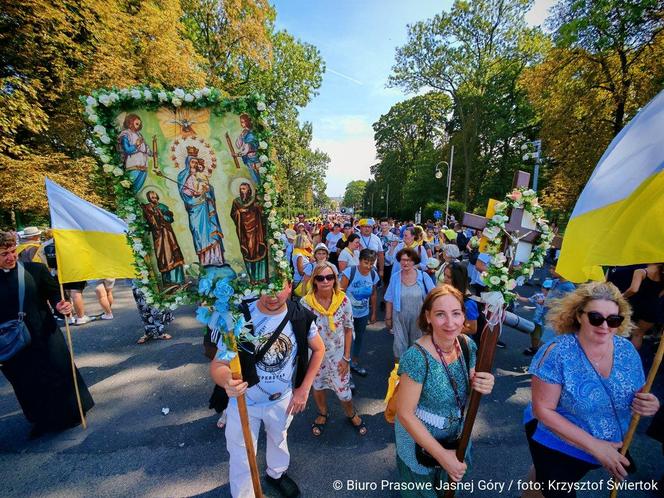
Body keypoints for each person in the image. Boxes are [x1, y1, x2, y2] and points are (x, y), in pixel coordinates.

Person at [524, 282, 660, 498]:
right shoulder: (557, 352)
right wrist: (596, 446)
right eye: (596, 318)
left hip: (608, 444)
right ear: (579, 315)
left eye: (614, 320)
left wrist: (648, 402)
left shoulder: (627, 350)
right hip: (558, 442)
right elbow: (543, 411)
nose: (605, 326)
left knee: (541, 482)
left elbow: (636, 391)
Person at [210, 280, 325, 498]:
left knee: (279, 439)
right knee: (242, 455)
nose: (272, 296)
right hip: (244, 402)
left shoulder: (300, 316)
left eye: (278, 287)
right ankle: (244, 494)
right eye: (266, 288)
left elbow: (319, 349)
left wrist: (303, 388)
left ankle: (277, 474)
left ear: (290, 286)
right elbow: (218, 364)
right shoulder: (239, 317)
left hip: (281, 398)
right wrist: (226, 381)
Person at [395, 285, 495, 491]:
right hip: (419, 446)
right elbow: (405, 413)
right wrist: (443, 456)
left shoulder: (467, 344)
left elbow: (470, 379)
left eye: (456, 313)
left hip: (455, 437)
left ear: (463, 315)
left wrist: (484, 382)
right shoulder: (416, 358)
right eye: (440, 314)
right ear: (428, 317)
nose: (450, 323)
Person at [0, 231, 94, 437]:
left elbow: (54, 294)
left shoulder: (34, 270)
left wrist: (61, 305)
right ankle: (41, 420)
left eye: (13, 251)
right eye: (4, 253)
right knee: (26, 383)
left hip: (44, 334)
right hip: (12, 343)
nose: (11, 257)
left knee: (57, 374)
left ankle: (73, 413)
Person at [301, 262, 367, 437]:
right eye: (320, 278)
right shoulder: (305, 303)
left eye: (330, 277)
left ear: (335, 279)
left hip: (338, 356)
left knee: (344, 392)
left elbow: (348, 328)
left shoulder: (343, 300)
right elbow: (301, 333)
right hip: (315, 357)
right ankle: (322, 413)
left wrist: (346, 358)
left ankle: (351, 413)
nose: (325, 281)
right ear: (314, 280)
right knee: (318, 386)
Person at [385, 247, 436, 361]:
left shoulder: (423, 276)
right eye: (403, 260)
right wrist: (388, 318)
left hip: (419, 318)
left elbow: (433, 296)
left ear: (414, 262)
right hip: (399, 317)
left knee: (417, 346)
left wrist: (430, 317)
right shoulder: (395, 277)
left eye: (409, 260)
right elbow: (389, 298)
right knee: (399, 346)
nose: (405, 263)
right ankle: (399, 374)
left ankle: (416, 373)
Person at [340, 249, 380, 377]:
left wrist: (373, 312)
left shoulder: (373, 275)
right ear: (360, 260)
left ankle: (354, 363)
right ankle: (346, 368)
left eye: (371, 263)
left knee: (359, 338)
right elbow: (340, 293)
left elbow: (373, 294)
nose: (368, 266)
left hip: (363, 313)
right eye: (366, 262)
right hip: (347, 314)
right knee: (348, 339)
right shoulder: (349, 272)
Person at [142, 190, 186, 286]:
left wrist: (161, 215)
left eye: (155, 197)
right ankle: (168, 283)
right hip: (158, 236)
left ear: (157, 197)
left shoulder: (163, 207)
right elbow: (148, 223)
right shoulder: (147, 208)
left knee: (174, 255)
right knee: (162, 257)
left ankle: (178, 281)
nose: (153, 199)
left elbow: (170, 219)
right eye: (151, 197)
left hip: (168, 235)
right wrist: (152, 217)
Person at [230, 181, 269, 284]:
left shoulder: (254, 200)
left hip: (256, 230)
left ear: (249, 190)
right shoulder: (236, 201)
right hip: (244, 231)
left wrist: (257, 207)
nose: (242, 190)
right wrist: (239, 213)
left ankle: (260, 277)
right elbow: (233, 214)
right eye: (241, 188)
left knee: (258, 251)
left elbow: (261, 213)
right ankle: (252, 278)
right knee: (248, 253)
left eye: (244, 188)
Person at [622, 263, 664, 349]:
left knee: (622, 330)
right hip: (653, 308)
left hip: (637, 306)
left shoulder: (641, 271)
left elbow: (634, 289)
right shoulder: (662, 275)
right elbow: (661, 294)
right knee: (638, 334)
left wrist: (622, 296)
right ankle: (632, 358)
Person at [440, 261, 479, 338]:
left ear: (458, 280)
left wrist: (447, 328)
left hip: (457, 342)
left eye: (449, 277)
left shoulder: (468, 304)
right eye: (444, 275)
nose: (444, 279)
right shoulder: (445, 293)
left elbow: (472, 329)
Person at [516, 279, 553, 356]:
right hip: (537, 321)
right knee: (535, 336)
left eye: (550, 289)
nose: (548, 291)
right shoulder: (538, 296)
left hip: (547, 322)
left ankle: (544, 352)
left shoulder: (554, 299)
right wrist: (519, 297)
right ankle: (534, 348)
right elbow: (528, 300)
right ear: (542, 288)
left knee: (546, 338)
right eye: (547, 289)